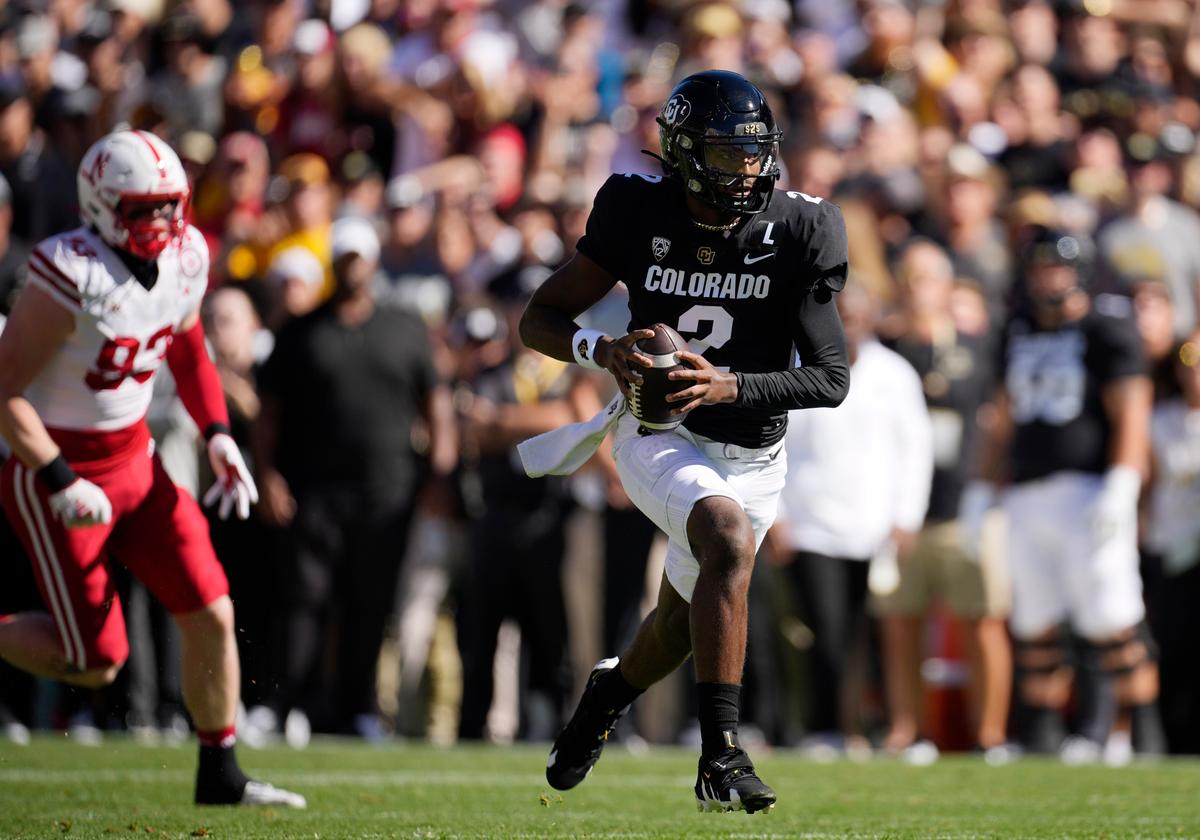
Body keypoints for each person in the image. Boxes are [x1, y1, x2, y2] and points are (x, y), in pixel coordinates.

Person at [519, 70, 849, 813]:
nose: (751, 170)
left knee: (678, 622)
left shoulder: (800, 227)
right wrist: (600, 352)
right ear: (687, 153)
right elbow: (539, 316)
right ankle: (721, 755)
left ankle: (609, 693)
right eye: (731, 156)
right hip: (658, 431)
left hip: (755, 452)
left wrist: (729, 384)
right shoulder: (636, 210)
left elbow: (831, 378)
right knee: (723, 535)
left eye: (757, 153)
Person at [0, 130, 303, 807]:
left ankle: (220, 773)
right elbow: (4, 393)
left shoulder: (189, 254)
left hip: (136, 459)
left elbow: (188, 343)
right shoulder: (68, 270)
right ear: (101, 206)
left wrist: (218, 434)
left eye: (172, 206)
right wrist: (58, 478)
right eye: (144, 210)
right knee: (96, 662)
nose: (164, 223)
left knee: (212, 610)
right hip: (59, 466)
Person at [963, 228, 1161, 765]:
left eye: (1058, 266)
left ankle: (1143, 733)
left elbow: (1133, 408)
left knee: (1110, 615)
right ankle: (1045, 735)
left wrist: (1123, 481)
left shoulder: (1106, 326)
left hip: (1088, 488)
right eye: (1041, 267)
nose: (1049, 276)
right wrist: (981, 486)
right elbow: (1000, 417)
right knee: (1034, 621)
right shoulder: (1017, 328)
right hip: (1027, 494)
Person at [254, 215, 456, 741]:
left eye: (358, 258)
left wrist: (440, 474)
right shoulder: (300, 331)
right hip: (310, 489)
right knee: (302, 598)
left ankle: (357, 709)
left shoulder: (405, 327)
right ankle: (283, 705)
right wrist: (266, 474)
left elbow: (436, 405)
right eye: (343, 259)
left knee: (370, 603)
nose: (352, 269)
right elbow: (268, 412)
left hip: (386, 492)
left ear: (372, 262)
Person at [772, 281, 933, 758]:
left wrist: (907, 517)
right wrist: (777, 516)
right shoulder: (797, 368)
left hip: (878, 531)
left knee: (880, 637)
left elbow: (916, 449)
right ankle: (829, 728)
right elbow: (773, 443)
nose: (850, 326)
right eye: (841, 316)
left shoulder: (894, 374)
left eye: (858, 316)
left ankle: (884, 728)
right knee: (826, 630)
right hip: (812, 525)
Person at [877, 240, 1013, 760]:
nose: (918, 290)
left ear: (946, 284)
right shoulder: (886, 350)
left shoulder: (976, 345)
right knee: (900, 623)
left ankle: (990, 734)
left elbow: (999, 417)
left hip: (965, 504)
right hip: (903, 512)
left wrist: (990, 482)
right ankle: (906, 730)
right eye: (909, 279)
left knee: (982, 618)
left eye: (928, 278)